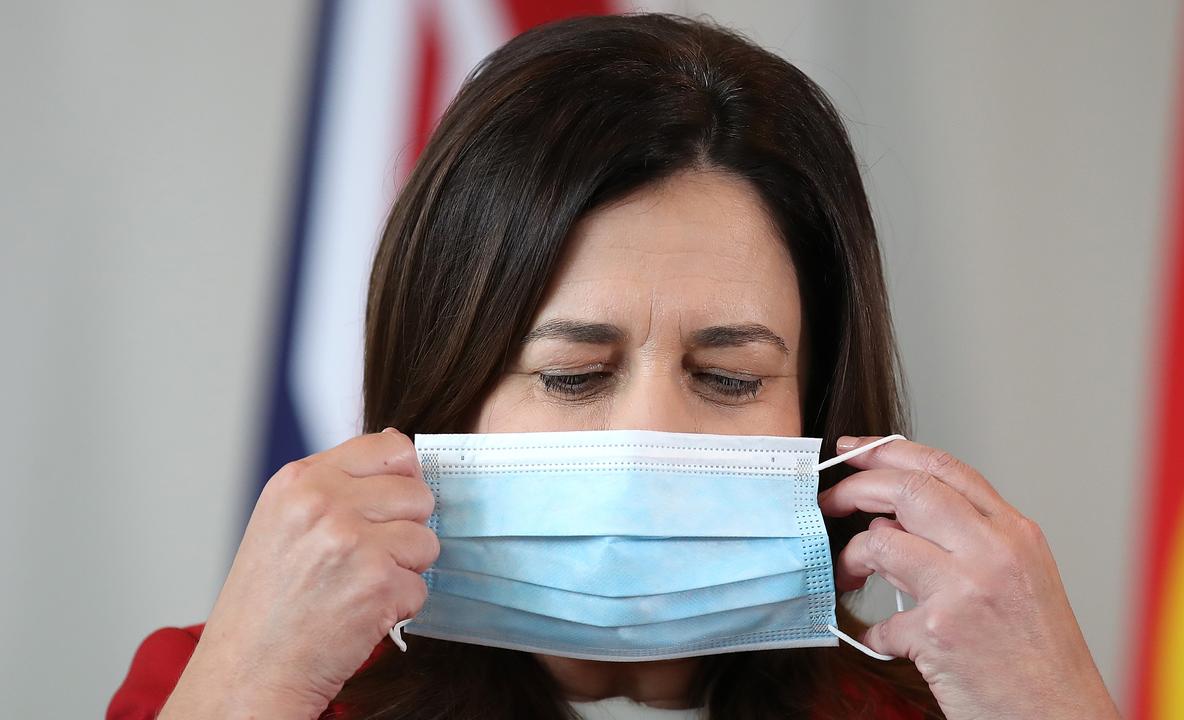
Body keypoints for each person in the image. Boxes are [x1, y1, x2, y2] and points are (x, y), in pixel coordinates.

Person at [108, 13, 1121, 720]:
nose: (651, 438)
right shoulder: (226, 687)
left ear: (819, 409)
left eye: (727, 379)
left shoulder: (951, 708)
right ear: (444, 381)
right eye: (571, 375)